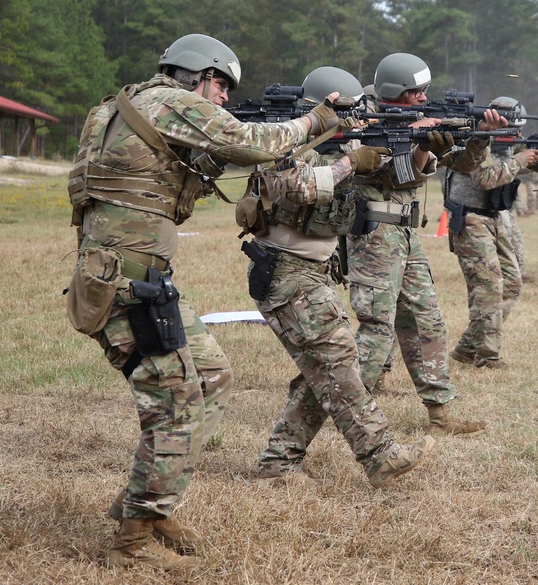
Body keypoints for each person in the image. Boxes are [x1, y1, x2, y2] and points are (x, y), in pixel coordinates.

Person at [65, 34, 345, 571]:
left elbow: (171, 174)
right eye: (221, 84)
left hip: (133, 277)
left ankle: (149, 501)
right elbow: (252, 143)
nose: (222, 98)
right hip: (131, 281)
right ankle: (131, 546)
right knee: (175, 404)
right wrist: (318, 121)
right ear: (197, 73)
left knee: (211, 375)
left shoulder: (125, 106)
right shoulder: (169, 102)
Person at [242, 66, 435, 490]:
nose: (354, 120)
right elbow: (300, 187)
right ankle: (380, 455)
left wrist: (418, 143)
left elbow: (393, 175)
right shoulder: (284, 141)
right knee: (339, 364)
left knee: (325, 371)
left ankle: (279, 462)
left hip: (306, 272)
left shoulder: (333, 145)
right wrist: (351, 161)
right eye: (345, 111)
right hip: (286, 274)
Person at [347, 52, 491, 435]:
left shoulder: (416, 120)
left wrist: (477, 138)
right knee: (377, 326)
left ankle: (440, 413)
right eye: (416, 92)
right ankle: (346, 408)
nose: (424, 98)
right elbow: (394, 174)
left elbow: (462, 164)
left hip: (406, 236)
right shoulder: (364, 122)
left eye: (426, 90)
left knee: (427, 321)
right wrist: (422, 142)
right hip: (374, 236)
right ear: (396, 92)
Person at [443, 97, 538, 369]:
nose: (517, 136)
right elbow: (485, 178)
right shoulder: (472, 139)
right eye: (512, 129)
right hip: (470, 218)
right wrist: (520, 160)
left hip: (495, 217)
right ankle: (488, 358)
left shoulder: (514, 144)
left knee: (511, 283)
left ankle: (466, 349)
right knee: (488, 287)